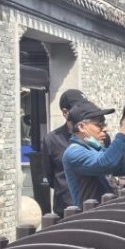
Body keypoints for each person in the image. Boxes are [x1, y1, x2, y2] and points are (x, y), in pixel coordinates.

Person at [62, 100, 125, 206]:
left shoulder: (95, 148)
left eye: (104, 123)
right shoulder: (73, 153)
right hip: (90, 214)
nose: (105, 129)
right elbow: (107, 163)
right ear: (81, 127)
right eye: (99, 124)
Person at [42, 87, 86, 215]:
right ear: (65, 112)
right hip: (65, 209)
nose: (84, 112)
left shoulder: (95, 135)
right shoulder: (52, 140)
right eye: (79, 108)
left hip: (92, 205)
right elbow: (50, 177)